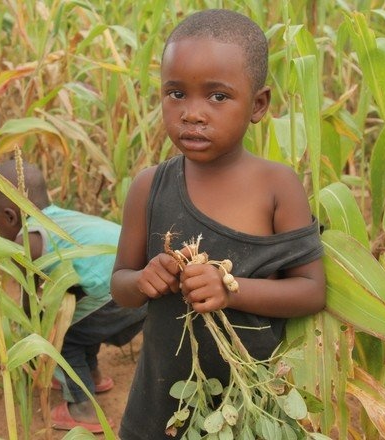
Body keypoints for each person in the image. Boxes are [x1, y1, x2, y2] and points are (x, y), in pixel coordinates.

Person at [110, 9, 326, 440]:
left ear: (258, 105)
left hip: (251, 406)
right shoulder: (149, 188)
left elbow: (311, 291)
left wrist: (230, 289)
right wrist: (144, 280)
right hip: (162, 404)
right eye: (176, 94)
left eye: (218, 97)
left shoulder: (276, 187)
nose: (192, 114)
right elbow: (120, 285)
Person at [0, 159, 147, 433]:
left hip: (120, 291)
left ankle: (82, 407)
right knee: (79, 323)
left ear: (10, 217)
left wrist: (35, 343)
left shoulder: (26, 239)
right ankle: (91, 375)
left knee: (60, 337)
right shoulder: (60, 218)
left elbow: (31, 303)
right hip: (141, 280)